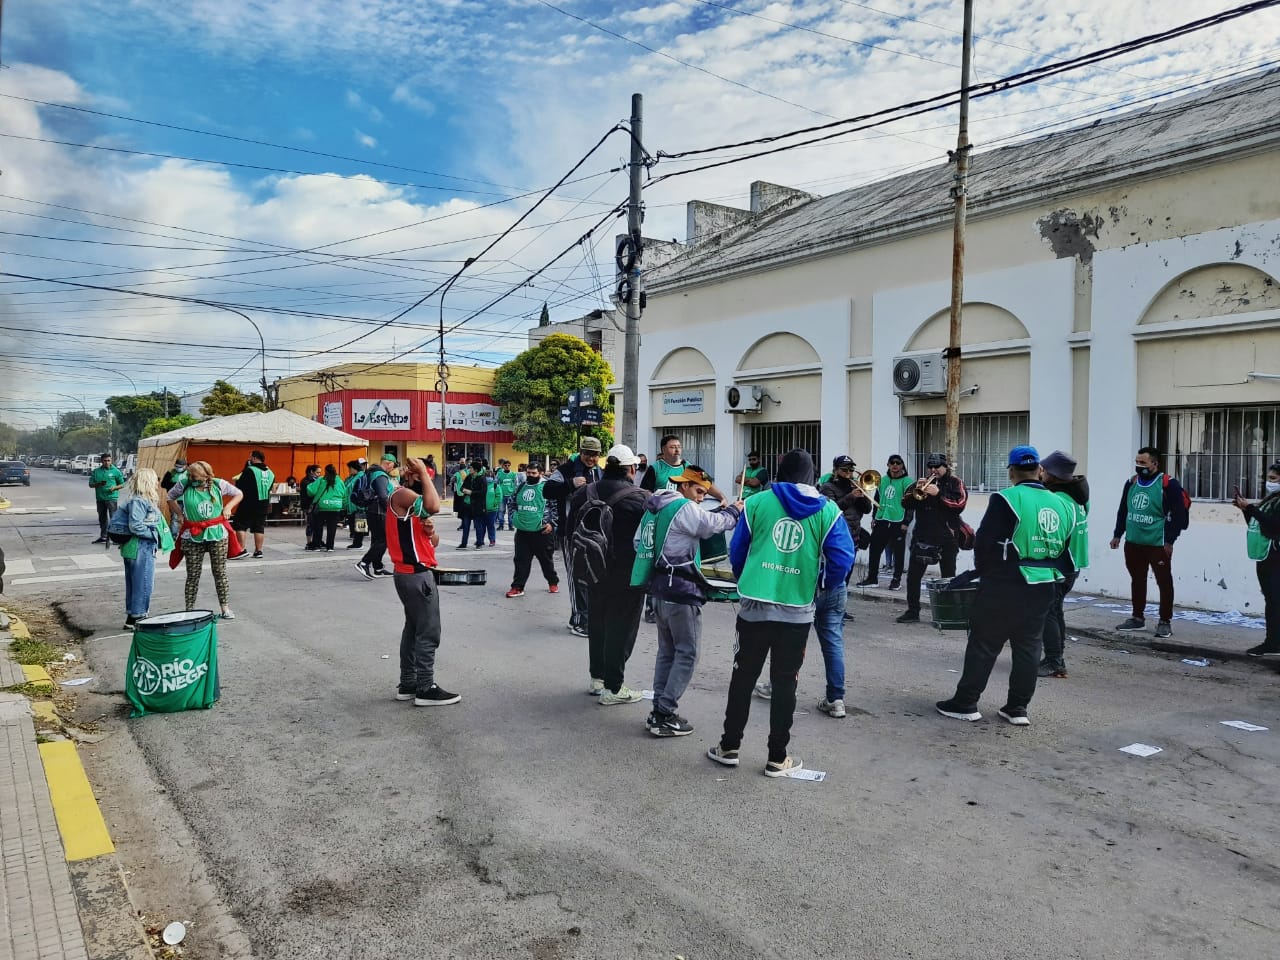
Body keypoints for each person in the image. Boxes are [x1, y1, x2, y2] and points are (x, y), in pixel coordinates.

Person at [707, 449, 854, 775]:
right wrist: (823, 584)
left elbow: (738, 550)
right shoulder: (828, 511)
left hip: (754, 606)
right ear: (812, 476)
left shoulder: (757, 502)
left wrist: (750, 574)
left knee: (743, 677)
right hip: (797, 609)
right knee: (786, 682)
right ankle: (778, 757)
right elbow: (843, 558)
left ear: (779, 472)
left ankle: (729, 747)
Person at [936, 447, 1075, 727]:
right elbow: (1066, 546)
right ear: (1039, 470)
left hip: (1006, 581)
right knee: (1028, 647)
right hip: (1044, 583)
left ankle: (966, 703)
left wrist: (984, 573)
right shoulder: (1064, 504)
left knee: (983, 643)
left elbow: (985, 541)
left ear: (1011, 471)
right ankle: (1017, 708)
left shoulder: (1006, 498)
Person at [637, 464, 742, 738]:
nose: (700, 497)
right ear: (683, 486)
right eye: (698, 491)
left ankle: (658, 709)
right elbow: (714, 525)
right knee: (687, 653)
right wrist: (734, 510)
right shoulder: (682, 508)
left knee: (667, 652)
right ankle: (664, 713)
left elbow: (639, 543)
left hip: (659, 588)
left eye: (704, 493)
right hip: (680, 591)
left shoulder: (657, 506)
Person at [567, 444, 648, 703]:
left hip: (592, 568)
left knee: (598, 622)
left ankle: (597, 678)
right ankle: (614, 688)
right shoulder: (640, 497)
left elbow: (569, 530)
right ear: (631, 469)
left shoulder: (585, 492)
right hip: (626, 572)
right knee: (621, 627)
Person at [386, 457, 460, 706]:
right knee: (428, 631)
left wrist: (430, 532)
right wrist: (425, 476)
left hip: (412, 573)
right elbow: (436, 506)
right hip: (415, 574)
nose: (424, 481)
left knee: (413, 629)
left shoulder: (413, 506)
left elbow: (432, 541)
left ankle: (408, 682)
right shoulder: (403, 495)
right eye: (422, 477)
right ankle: (425, 687)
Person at [813, 454, 872, 717]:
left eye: (851, 470)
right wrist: (851, 497)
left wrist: (865, 496)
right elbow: (832, 509)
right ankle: (835, 698)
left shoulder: (854, 487)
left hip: (851, 542)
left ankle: (836, 699)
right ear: (836, 470)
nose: (849, 474)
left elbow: (867, 510)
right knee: (829, 639)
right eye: (845, 470)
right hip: (837, 544)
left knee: (799, 635)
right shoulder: (828, 487)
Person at [1110, 446, 1188, 638]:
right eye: (1137, 462)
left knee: (1164, 581)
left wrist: (1170, 540)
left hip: (1157, 543)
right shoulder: (1132, 482)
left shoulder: (1168, 484)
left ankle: (1164, 621)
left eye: (1143, 462)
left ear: (1154, 463)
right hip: (1134, 541)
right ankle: (1137, 618)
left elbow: (1179, 515)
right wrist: (1117, 534)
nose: (1139, 466)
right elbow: (1123, 509)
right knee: (1137, 579)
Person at [897, 453, 968, 624]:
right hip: (923, 537)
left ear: (945, 467)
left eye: (937, 466)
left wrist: (939, 494)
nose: (933, 470)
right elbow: (905, 503)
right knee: (913, 577)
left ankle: (948, 614)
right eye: (930, 466)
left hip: (947, 537)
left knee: (948, 577)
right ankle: (913, 611)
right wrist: (915, 492)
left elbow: (959, 505)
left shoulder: (955, 483)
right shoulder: (922, 482)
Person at [167, 460, 243, 620]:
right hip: (192, 535)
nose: (191, 478)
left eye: (194, 476)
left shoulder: (218, 484)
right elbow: (170, 497)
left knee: (220, 572)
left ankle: (225, 608)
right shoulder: (185, 484)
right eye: (189, 475)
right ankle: (189, 609)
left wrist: (228, 507)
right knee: (193, 574)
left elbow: (239, 493)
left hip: (217, 534)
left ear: (205, 475)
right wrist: (179, 514)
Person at [544, 437, 603, 637]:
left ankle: (578, 616)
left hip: (595, 532)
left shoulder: (598, 472)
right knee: (576, 577)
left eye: (595, 455)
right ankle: (581, 621)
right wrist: (570, 483)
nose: (591, 458)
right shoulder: (565, 470)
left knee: (591, 577)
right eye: (587, 454)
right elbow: (547, 490)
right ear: (581, 452)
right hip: (571, 532)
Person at [1038, 450, 1090, 678]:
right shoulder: (1079, 499)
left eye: (1044, 471)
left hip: (1060, 564)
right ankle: (1056, 657)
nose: (1040, 474)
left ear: (1053, 475)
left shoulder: (1057, 501)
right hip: (1074, 563)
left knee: (1048, 612)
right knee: (1055, 611)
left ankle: (1054, 661)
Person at [1232, 461, 1280, 657]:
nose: (1269, 482)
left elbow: (1274, 526)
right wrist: (1245, 510)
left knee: (1277, 600)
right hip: (1265, 555)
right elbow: (1258, 525)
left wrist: (1251, 509)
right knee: (1272, 601)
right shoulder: (1271, 500)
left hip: (1276, 556)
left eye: (1274, 479)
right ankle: (1272, 642)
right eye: (1268, 478)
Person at [116, 467, 167, 629]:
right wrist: (153, 535)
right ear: (148, 482)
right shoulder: (140, 501)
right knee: (143, 583)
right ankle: (138, 616)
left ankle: (133, 615)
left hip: (135, 547)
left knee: (135, 583)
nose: (158, 483)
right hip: (140, 546)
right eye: (155, 480)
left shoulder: (138, 499)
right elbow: (136, 526)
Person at [858, 455, 914, 589]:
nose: (895, 465)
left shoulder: (908, 482)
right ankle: (872, 579)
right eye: (892, 463)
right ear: (888, 465)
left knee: (898, 552)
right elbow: (877, 500)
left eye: (898, 463)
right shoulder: (882, 480)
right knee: (874, 549)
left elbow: (911, 504)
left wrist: (906, 522)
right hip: (882, 520)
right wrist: (874, 517)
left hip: (898, 521)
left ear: (902, 465)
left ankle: (896, 581)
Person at [506, 462, 559, 597]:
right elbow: (512, 502)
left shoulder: (547, 486)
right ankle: (517, 587)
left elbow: (556, 507)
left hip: (542, 531)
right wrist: (513, 517)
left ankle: (552, 582)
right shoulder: (521, 486)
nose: (530, 475)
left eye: (533, 473)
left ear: (540, 473)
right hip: (523, 531)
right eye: (528, 473)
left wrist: (551, 524)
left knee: (546, 560)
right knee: (520, 560)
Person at [355, 454, 396, 579]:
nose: (392, 469)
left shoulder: (371, 472)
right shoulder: (381, 475)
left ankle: (378, 567)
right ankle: (364, 563)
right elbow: (383, 496)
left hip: (372, 510)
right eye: (392, 466)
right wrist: (391, 510)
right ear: (388, 463)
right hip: (379, 511)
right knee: (384, 540)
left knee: (377, 539)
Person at [232, 449, 275, 558]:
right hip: (264, 503)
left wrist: (237, 480)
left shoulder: (250, 470)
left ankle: (241, 550)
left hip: (248, 503)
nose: (249, 459)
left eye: (250, 457)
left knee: (240, 524)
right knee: (259, 527)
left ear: (255, 458)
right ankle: (258, 551)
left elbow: (240, 485)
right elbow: (270, 487)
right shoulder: (271, 473)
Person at [306, 464, 348, 551]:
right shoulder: (340, 481)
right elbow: (344, 495)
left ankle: (317, 545)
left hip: (322, 506)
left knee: (318, 526)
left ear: (326, 471)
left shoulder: (322, 479)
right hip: (336, 507)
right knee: (332, 528)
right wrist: (343, 505)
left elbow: (311, 491)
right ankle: (330, 547)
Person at [89, 453, 126, 544]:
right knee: (102, 518)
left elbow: (122, 484)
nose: (106, 462)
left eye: (108, 460)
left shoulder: (116, 471)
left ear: (111, 461)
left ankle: (115, 537)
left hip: (111, 498)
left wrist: (114, 488)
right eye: (105, 461)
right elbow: (90, 484)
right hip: (100, 498)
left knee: (113, 517)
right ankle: (103, 536)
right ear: (101, 461)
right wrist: (98, 484)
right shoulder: (96, 471)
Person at [458, 458, 490, 549]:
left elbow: (483, 492)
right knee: (466, 525)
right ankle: (463, 543)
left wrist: (471, 493)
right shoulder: (468, 477)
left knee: (478, 525)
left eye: (471, 468)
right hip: (466, 505)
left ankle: (479, 543)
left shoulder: (482, 479)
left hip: (477, 506)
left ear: (475, 469)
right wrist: (463, 490)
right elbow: (462, 487)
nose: (469, 469)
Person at [345, 459, 367, 549]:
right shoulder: (353, 477)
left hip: (359, 505)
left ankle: (358, 543)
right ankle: (356, 542)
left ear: (354, 468)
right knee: (354, 524)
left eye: (350, 468)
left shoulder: (361, 476)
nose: (349, 470)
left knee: (360, 524)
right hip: (352, 505)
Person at [298, 464, 320, 549]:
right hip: (308, 505)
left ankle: (316, 540)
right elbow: (310, 493)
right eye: (317, 472)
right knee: (310, 523)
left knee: (316, 524)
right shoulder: (306, 481)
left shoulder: (314, 480)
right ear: (311, 472)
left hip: (315, 505)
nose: (319, 474)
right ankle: (309, 542)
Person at [494, 459, 518, 530]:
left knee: (511, 511)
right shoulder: (499, 474)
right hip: (502, 495)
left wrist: (515, 494)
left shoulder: (513, 474)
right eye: (505, 465)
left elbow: (516, 484)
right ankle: (501, 525)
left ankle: (511, 525)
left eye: (508, 465)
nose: (507, 466)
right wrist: (496, 492)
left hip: (510, 495)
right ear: (503, 466)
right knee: (501, 510)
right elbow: (496, 483)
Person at [483, 466, 502, 546]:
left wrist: (495, 504)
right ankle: (480, 540)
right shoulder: (482, 485)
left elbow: (499, 496)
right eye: (487, 476)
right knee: (481, 527)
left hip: (492, 510)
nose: (488, 478)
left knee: (491, 526)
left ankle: (492, 540)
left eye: (490, 476)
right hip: (482, 509)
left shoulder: (495, 486)